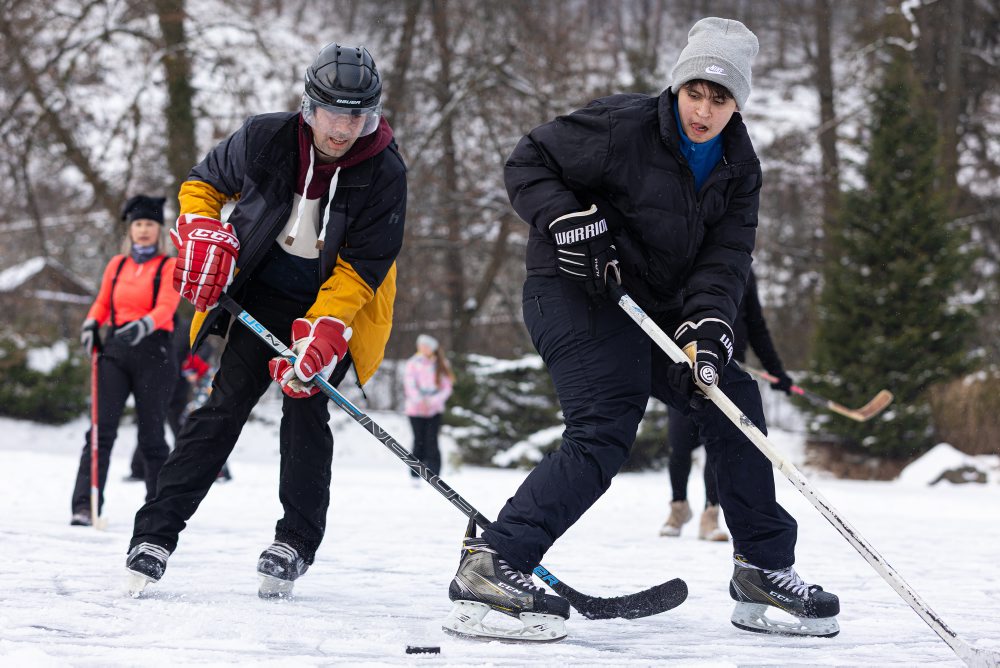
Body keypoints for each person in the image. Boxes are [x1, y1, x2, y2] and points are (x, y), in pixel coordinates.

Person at [444, 18, 839, 642]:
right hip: (571, 289)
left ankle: (762, 568)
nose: (702, 111)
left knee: (732, 397)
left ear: (738, 104)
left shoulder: (740, 168)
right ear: (677, 87)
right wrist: (568, 219)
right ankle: (494, 562)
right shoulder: (620, 126)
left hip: (651, 305)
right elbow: (529, 160)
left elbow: (726, 259)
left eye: (719, 99)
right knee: (606, 420)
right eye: (694, 93)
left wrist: (707, 329)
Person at [123, 43, 406, 600]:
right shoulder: (265, 137)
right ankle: (154, 535)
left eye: (357, 116)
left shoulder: (385, 170)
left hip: (334, 305)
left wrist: (323, 332)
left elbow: (363, 267)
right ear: (309, 107)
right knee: (223, 406)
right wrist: (202, 227)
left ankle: (294, 542)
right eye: (333, 113)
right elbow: (202, 184)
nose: (343, 128)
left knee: (305, 409)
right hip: (261, 294)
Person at [660, 267, 793, 541]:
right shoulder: (684, 259)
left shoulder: (742, 270)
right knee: (679, 442)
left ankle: (711, 514)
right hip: (686, 363)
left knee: (718, 445)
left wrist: (777, 371)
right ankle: (678, 507)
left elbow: (755, 325)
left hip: (727, 368)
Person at [72, 195, 180, 526]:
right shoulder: (117, 265)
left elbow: (166, 307)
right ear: (130, 229)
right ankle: (85, 504)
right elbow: (103, 303)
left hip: (154, 354)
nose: (143, 230)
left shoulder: (169, 266)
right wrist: (92, 323)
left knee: (151, 436)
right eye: (138, 224)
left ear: (159, 230)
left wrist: (144, 325)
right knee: (100, 432)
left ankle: (157, 509)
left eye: (150, 224)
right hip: (115, 353)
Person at [403, 334, 454, 481]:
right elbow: (409, 385)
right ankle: (415, 474)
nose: (423, 348)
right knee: (418, 440)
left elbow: (446, 388)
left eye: (426, 346)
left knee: (432, 441)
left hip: (434, 410)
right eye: (421, 345)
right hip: (415, 410)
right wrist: (420, 401)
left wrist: (431, 402)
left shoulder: (442, 364)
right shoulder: (412, 363)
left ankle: (435, 473)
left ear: (432, 348)